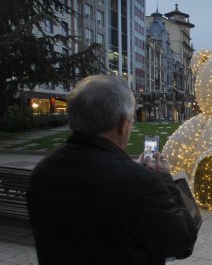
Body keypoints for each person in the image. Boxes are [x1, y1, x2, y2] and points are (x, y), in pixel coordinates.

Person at [26, 75, 197, 265]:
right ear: (123, 125)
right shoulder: (139, 183)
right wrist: (164, 178)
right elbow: (181, 242)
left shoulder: (43, 173)